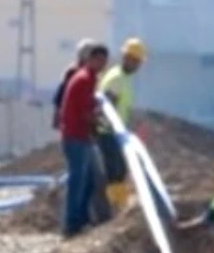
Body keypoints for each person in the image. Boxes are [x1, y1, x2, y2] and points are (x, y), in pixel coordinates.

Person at [59, 41, 109, 237]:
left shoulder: (89, 78)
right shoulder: (84, 79)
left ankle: (80, 219)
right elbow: (84, 112)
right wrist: (99, 122)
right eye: (100, 60)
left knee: (87, 180)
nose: (103, 65)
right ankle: (72, 224)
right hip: (76, 136)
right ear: (92, 59)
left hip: (81, 136)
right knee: (77, 181)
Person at [96, 37, 147, 213]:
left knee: (120, 170)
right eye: (137, 62)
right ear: (129, 58)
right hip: (108, 132)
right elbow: (106, 109)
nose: (138, 66)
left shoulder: (122, 77)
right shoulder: (117, 78)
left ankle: (118, 205)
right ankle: (114, 209)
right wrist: (108, 131)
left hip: (115, 132)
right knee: (115, 171)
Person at [52, 38, 93, 130]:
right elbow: (61, 95)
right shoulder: (73, 72)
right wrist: (57, 115)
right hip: (71, 118)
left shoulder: (89, 73)